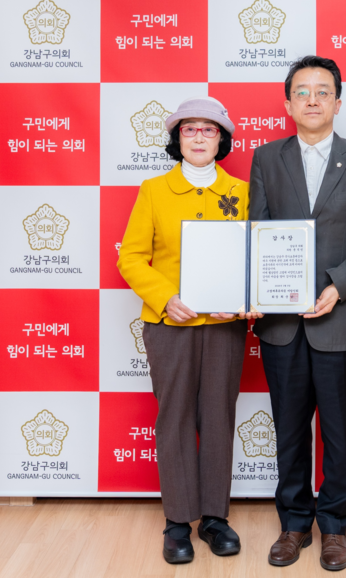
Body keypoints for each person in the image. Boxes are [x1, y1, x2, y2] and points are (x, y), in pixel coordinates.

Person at [249, 56, 346, 571]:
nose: (312, 99)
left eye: (322, 91)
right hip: (281, 325)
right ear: (288, 103)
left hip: (341, 320)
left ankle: (334, 527)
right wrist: (255, 289)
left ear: (337, 101)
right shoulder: (266, 159)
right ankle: (293, 524)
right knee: (288, 431)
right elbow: (256, 234)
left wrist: (337, 286)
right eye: (302, 91)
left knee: (339, 432)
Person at [118, 96, 250, 565]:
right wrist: (165, 297)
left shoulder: (244, 191)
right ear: (177, 139)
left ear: (222, 139)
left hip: (225, 325)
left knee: (218, 415)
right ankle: (177, 521)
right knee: (174, 416)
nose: (198, 136)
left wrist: (245, 301)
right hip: (169, 324)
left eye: (208, 129)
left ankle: (214, 517)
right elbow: (131, 257)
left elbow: (255, 255)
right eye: (189, 129)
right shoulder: (154, 190)